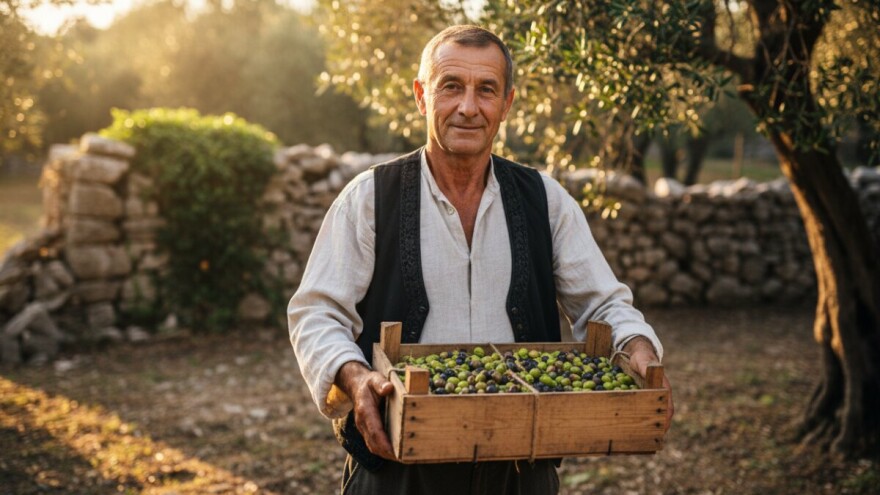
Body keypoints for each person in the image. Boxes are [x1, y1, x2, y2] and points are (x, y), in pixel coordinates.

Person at [288, 24, 674, 495]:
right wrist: (355, 376)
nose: (468, 107)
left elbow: (604, 304)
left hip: (520, 466)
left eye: (486, 90)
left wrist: (639, 348)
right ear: (421, 96)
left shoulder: (544, 200)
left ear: (506, 104)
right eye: (451, 86)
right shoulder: (370, 198)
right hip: (398, 466)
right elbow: (316, 313)